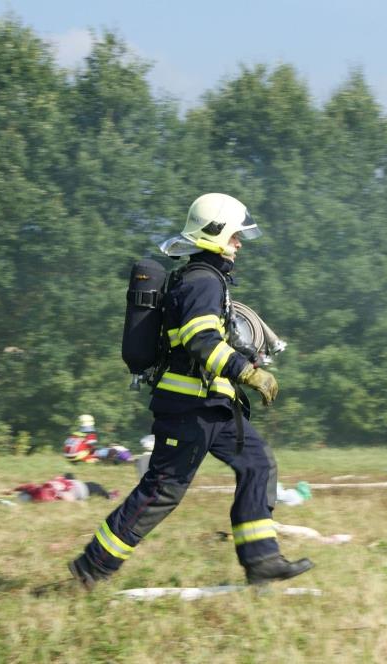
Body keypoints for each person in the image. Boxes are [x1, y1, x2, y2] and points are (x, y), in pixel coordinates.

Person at [69, 193, 312, 589]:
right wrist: (247, 372)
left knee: (258, 464)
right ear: (215, 233)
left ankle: (262, 559)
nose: (239, 243)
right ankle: (91, 568)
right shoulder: (201, 282)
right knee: (162, 490)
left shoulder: (208, 280)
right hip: (188, 409)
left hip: (214, 407)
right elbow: (201, 341)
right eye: (236, 236)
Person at [13, 473, 118, 502]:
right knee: (96, 486)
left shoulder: (39, 494)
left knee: (94, 485)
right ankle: (109, 496)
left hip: (74, 486)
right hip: (80, 489)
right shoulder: (36, 490)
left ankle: (108, 495)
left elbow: (24, 487)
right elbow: (68, 498)